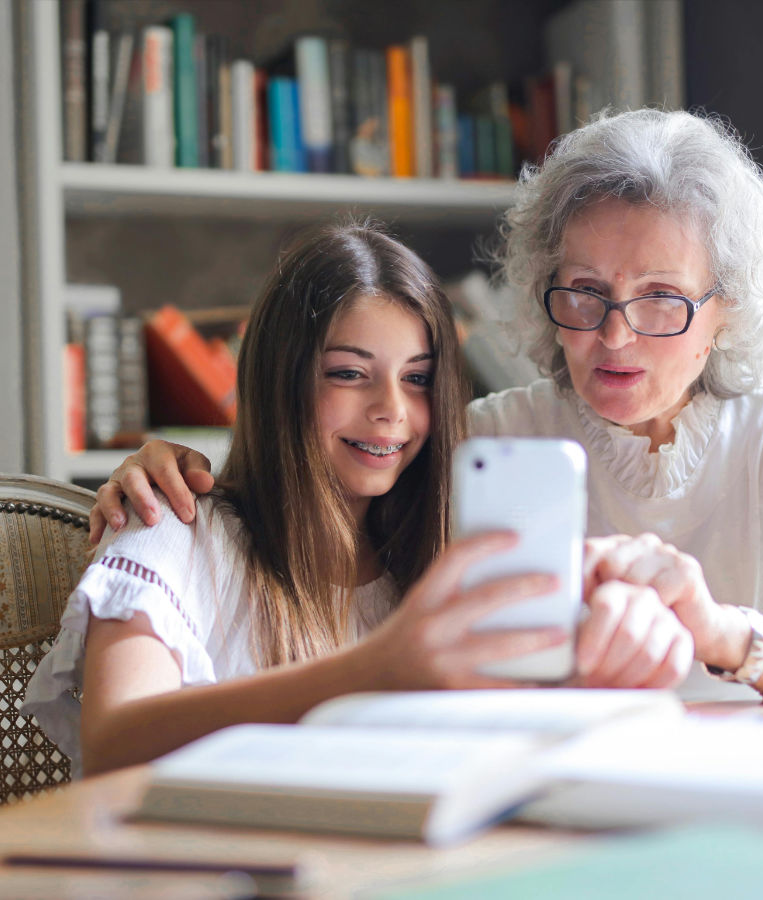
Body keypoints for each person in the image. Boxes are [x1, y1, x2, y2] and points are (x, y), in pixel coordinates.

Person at [94, 110, 763, 701]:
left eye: (660, 299)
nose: (614, 337)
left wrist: (719, 632)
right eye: (584, 293)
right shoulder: (484, 439)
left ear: (725, 310)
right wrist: (165, 468)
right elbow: (311, 493)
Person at [24, 222, 692, 777]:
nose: (391, 413)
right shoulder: (172, 529)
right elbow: (113, 742)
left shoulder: (436, 562)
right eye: (349, 374)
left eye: (418, 380)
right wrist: (375, 670)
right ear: (280, 379)